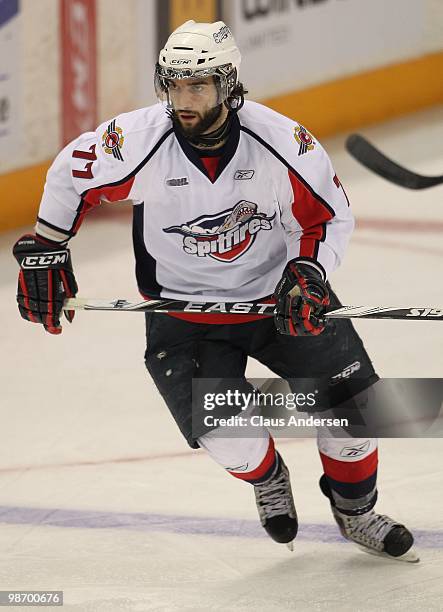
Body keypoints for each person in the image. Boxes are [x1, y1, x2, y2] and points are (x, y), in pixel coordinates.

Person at [13, 20, 415, 560]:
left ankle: (356, 512)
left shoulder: (280, 143)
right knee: (234, 440)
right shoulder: (136, 141)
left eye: (197, 85)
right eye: (173, 85)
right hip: (185, 314)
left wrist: (309, 272)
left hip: (280, 302)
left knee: (358, 414)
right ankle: (269, 475)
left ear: (228, 85)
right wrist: (50, 244)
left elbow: (329, 217)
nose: (183, 99)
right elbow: (70, 174)